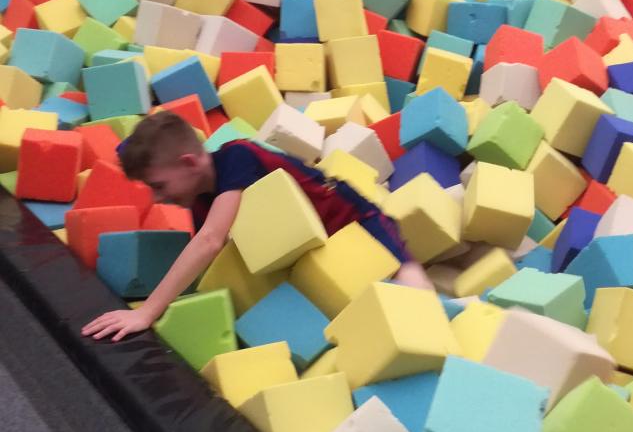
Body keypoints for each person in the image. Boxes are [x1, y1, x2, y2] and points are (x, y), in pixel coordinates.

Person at [81, 111, 432, 342]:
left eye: (159, 186)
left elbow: (210, 242)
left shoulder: (237, 157)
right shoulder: (201, 201)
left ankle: (444, 322)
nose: (157, 198)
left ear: (189, 162)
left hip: (356, 221)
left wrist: (147, 312)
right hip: (312, 256)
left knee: (413, 290)